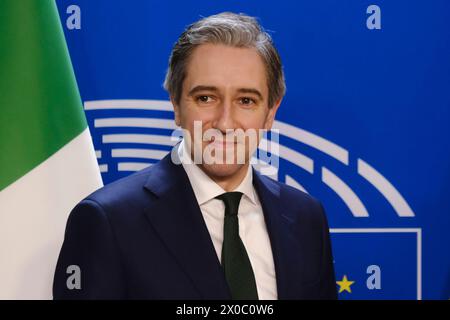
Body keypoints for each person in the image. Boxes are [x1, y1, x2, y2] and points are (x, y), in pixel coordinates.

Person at [53, 12, 337, 300]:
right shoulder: (107, 221)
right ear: (176, 104)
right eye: (205, 98)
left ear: (270, 114)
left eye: (246, 101)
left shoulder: (306, 218)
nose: (225, 123)